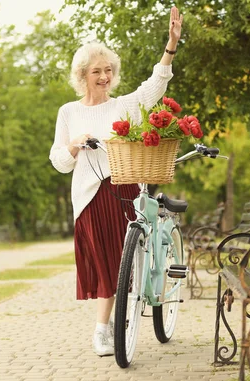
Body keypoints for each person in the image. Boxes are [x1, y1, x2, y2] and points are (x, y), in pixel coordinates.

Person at [49, 6, 183, 357]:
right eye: (97, 71)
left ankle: (120, 319)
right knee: (108, 264)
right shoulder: (69, 112)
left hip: (125, 189)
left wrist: (170, 46)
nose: (105, 76)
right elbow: (59, 162)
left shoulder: (125, 105)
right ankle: (102, 329)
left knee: (128, 262)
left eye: (109, 70)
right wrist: (76, 144)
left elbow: (156, 85)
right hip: (91, 197)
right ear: (83, 75)